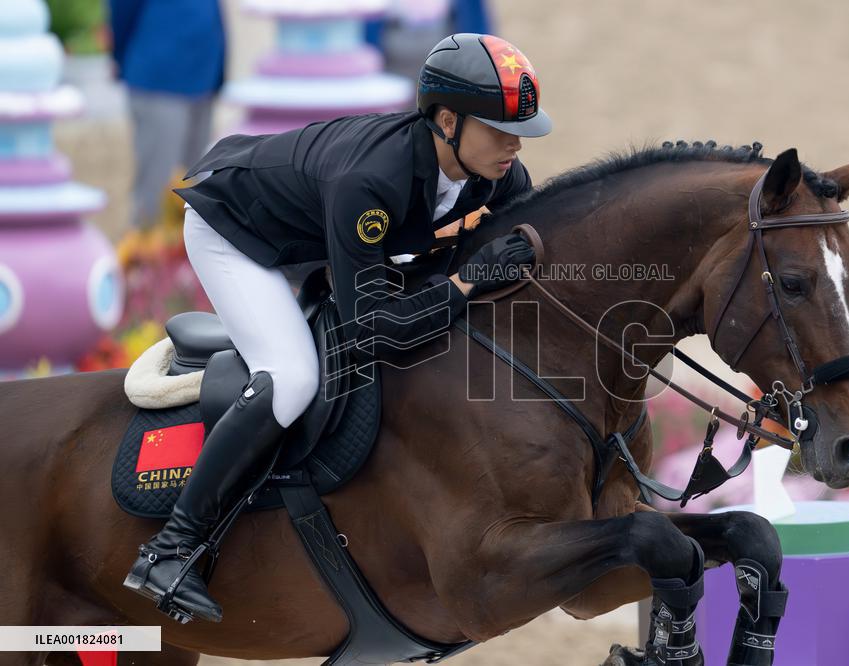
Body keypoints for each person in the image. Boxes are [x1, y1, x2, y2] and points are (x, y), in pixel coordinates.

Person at [122, 33, 550, 623]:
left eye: (520, 129)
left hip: (312, 227)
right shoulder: (372, 183)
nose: (514, 143)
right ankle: (170, 549)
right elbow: (372, 331)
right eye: (499, 128)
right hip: (236, 232)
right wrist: (464, 284)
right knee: (294, 377)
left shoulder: (496, 172)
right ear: (447, 120)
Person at [107, 0, 226, 231]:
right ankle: (143, 260)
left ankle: (188, 261)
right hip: (159, 77)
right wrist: (121, 56)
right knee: (156, 188)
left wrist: (219, 68)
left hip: (204, 74)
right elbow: (122, 10)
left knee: (198, 188)